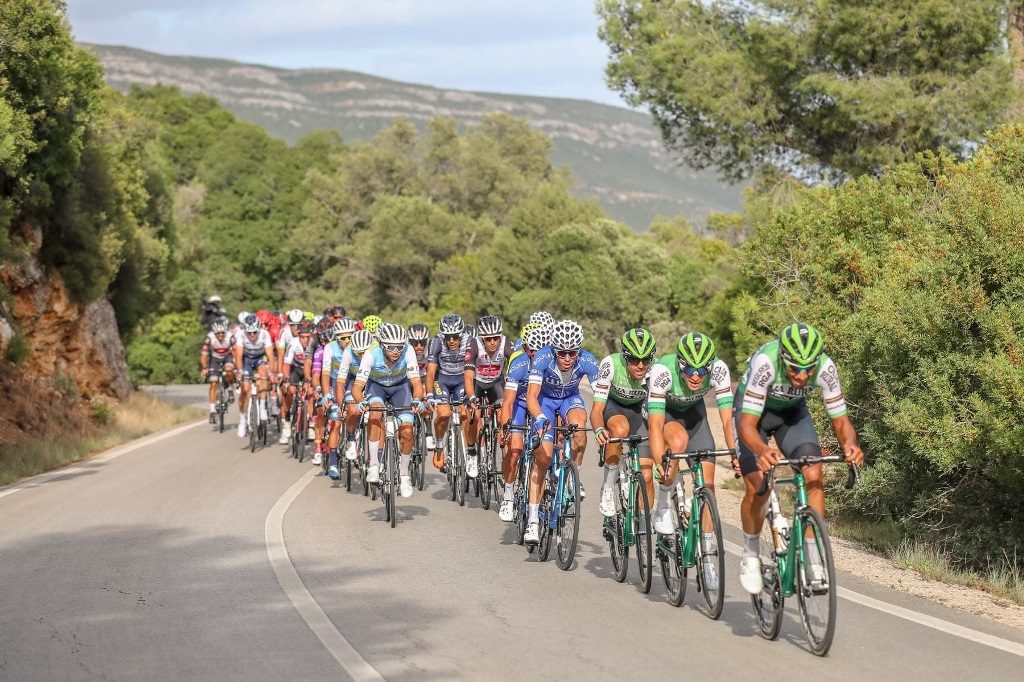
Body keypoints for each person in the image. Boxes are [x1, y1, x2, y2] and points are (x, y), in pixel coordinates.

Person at [734, 323, 864, 594]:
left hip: (792, 416)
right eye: (794, 368)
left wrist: (850, 445)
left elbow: (841, 421)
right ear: (783, 358)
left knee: (814, 473)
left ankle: (813, 557)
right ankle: (750, 554)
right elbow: (746, 426)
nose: (802, 375)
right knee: (758, 487)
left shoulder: (826, 368)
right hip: (753, 416)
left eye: (808, 368)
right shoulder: (766, 363)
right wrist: (761, 450)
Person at [646, 332, 736, 590]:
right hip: (665, 415)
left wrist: (734, 453)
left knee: (708, 487)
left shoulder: (719, 370)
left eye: (702, 370)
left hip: (695, 417)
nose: (696, 376)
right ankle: (664, 503)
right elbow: (654, 427)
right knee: (676, 446)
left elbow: (728, 419)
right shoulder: (662, 371)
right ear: (679, 364)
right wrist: (659, 462)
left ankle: (707, 560)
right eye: (689, 369)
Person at [524, 320, 599, 544]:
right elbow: (531, 396)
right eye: (562, 353)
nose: (567, 358)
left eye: (572, 353)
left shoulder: (587, 360)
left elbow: (601, 397)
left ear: (579, 350)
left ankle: (573, 474)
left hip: (570, 399)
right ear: (554, 349)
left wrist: (603, 423)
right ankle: (533, 521)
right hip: (545, 401)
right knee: (544, 456)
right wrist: (539, 419)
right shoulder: (542, 357)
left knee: (580, 432)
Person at [351, 323, 426, 498]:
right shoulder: (371, 354)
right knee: (375, 412)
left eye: (399, 347)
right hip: (376, 388)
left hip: (400, 388)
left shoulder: (408, 351)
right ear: (382, 345)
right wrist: (361, 402)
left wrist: (417, 399)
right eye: (391, 347)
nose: (396, 351)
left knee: (407, 430)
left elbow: (416, 382)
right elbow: (357, 387)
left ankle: (405, 474)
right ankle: (374, 465)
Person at [592, 328, 657, 522]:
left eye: (646, 360)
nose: (640, 365)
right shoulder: (610, 365)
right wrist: (598, 429)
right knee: (620, 430)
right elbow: (596, 410)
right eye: (634, 360)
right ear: (624, 357)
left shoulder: (657, 370)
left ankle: (644, 527)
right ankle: (608, 487)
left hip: (639, 412)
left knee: (646, 475)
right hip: (614, 407)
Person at [497, 323, 550, 522]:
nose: (536, 356)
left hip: (540, 404)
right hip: (519, 404)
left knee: (548, 450)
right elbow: (508, 401)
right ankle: (509, 495)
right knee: (515, 450)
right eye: (532, 351)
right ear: (526, 349)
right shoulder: (519, 364)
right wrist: (505, 428)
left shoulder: (552, 364)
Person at [464, 315, 514, 479]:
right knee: (474, 416)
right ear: (482, 338)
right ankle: (471, 450)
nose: (493, 342)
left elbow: (517, 367)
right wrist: (471, 398)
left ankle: (503, 447)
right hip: (477, 383)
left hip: (496, 383)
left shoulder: (506, 344)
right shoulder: (474, 345)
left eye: (495, 338)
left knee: (503, 414)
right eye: (488, 339)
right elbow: (468, 377)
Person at [425, 313, 470, 471]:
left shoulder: (469, 342)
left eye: (455, 337)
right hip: (442, 380)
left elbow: (474, 370)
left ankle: (468, 448)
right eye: (448, 337)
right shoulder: (436, 342)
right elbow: (430, 373)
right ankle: (439, 446)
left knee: (465, 413)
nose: (451, 341)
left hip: (461, 380)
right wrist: (429, 395)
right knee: (444, 414)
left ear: (461, 335)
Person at [234, 314, 275, 438]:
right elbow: (239, 356)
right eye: (249, 333)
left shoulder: (264, 334)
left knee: (263, 374)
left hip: (259, 358)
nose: (252, 335)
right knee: (245, 390)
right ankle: (242, 420)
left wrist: (271, 372)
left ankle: (262, 407)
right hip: (246, 360)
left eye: (254, 332)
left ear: (259, 328)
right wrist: (240, 371)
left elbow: (270, 356)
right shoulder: (240, 335)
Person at [200, 320, 236, 421]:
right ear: (214, 333)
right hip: (214, 359)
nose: (220, 335)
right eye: (218, 334)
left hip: (227, 357)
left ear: (225, 332)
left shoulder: (230, 337)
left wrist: (237, 368)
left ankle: (229, 388)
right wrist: (204, 367)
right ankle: (212, 411)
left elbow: (236, 353)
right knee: (213, 383)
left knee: (229, 370)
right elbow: (203, 355)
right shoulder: (209, 338)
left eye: (222, 333)